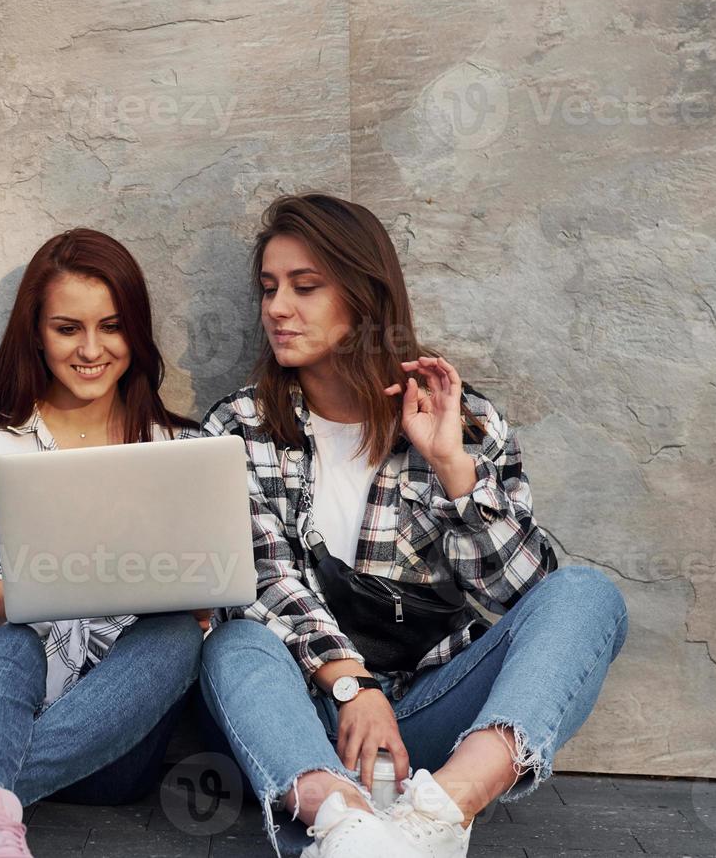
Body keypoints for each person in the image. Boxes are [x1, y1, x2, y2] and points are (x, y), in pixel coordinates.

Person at [197, 193, 628, 858]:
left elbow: (526, 604)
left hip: (433, 712)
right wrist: (351, 686)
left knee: (587, 596)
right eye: (269, 288)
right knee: (235, 644)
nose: (277, 308)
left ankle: (437, 814)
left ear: (365, 297)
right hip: (309, 717)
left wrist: (454, 467)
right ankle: (343, 824)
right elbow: (263, 578)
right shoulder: (239, 427)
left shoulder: (465, 419)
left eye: (305, 287)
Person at [0, 229, 204, 858]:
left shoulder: (177, 449)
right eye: (67, 329)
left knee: (181, 635)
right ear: (36, 333)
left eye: (112, 326)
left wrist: (204, 597)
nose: (92, 350)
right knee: (14, 637)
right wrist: (24, 596)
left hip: (104, 740)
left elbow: (222, 581)